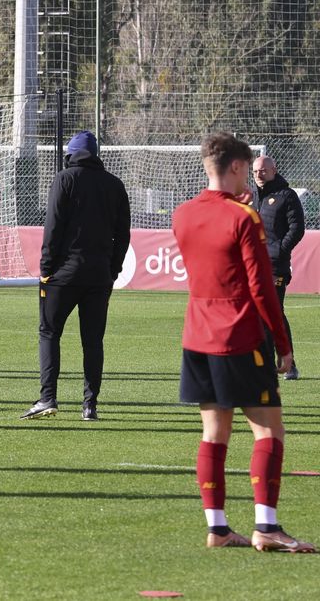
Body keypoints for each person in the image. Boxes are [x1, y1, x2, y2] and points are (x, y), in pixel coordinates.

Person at [173, 132, 313, 552]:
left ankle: (217, 529)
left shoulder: (182, 214)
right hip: (238, 335)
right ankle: (265, 526)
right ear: (236, 167)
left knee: (214, 433)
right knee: (269, 430)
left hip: (197, 334)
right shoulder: (243, 218)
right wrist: (283, 343)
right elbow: (261, 288)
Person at [21, 130, 130, 421]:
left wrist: (46, 268)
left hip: (63, 275)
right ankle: (90, 405)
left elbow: (53, 227)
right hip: (99, 276)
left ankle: (47, 398)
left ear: (71, 154)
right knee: (93, 341)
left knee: (49, 333)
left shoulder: (64, 179)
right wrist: (112, 270)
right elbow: (123, 235)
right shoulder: (115, 185)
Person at [249, 155, 304, 380]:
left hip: (275, 266)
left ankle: (288, 364)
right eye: (255, 172)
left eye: (263, 170)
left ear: (274, 170)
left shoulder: (287, 196)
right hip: (253, 266)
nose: (259, 175)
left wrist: (280, 250)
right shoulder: (252, 198)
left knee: (273, 313)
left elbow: (297, 227)